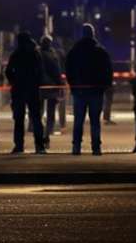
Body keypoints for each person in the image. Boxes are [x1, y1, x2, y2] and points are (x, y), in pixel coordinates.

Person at [64, 23, 113, 155]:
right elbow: (108, 70)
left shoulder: (74, 51)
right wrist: (104, 86)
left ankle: (76, 147)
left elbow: (68, 69)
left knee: (78, 121)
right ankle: (96, 148)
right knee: (95, 121)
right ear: (93, 34)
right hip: (96, 91)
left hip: (79, 91)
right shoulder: (100, 51)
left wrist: (72, 86)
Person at [6, 31, 47, 154]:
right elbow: (40, 71)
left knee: (19, 119)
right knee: (36, 118)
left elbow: (8, 71)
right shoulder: (35, 53)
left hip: (19, 89)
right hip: (32, 89)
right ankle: (39, 146)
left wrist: (14, 81)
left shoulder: (16, 54)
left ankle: (19, 146)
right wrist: (36, 82)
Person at [39, 35, 64, 147]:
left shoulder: (36, 54)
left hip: (39, 87)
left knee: (38, 113)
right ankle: (46, 136)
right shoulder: (53, 55)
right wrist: (60, 84)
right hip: (52, 87)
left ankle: (39, 136)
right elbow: (57, 71)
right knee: (50, 114)